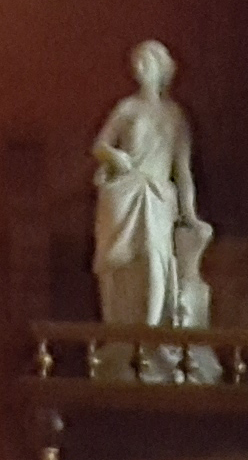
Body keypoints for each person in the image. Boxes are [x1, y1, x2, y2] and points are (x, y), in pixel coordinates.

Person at [90, 40, 210, 375]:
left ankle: (152, 334)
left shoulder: (175, 116)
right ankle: (120, 336)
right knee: (121, 263)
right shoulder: (126, 108)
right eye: (137, 63)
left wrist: (190, 214)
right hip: (124, 191)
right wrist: (115, 156)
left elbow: (183, 170)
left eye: (146, 62)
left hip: (157, 191)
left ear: (161, 69)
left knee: (156, 257)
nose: (139, 69)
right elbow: (100, 145)